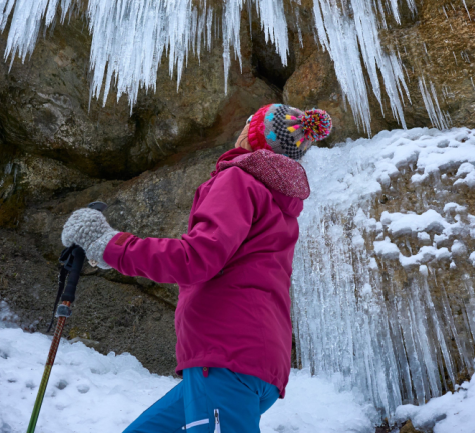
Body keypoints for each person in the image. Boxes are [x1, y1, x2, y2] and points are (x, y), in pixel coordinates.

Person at [61, 103, 332, 433]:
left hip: (225, 360)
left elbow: (197, 258)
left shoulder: (239, 179)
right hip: (255, 365)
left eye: (249, 121)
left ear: (254, 134)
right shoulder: (280, 206)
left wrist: (109, 245)